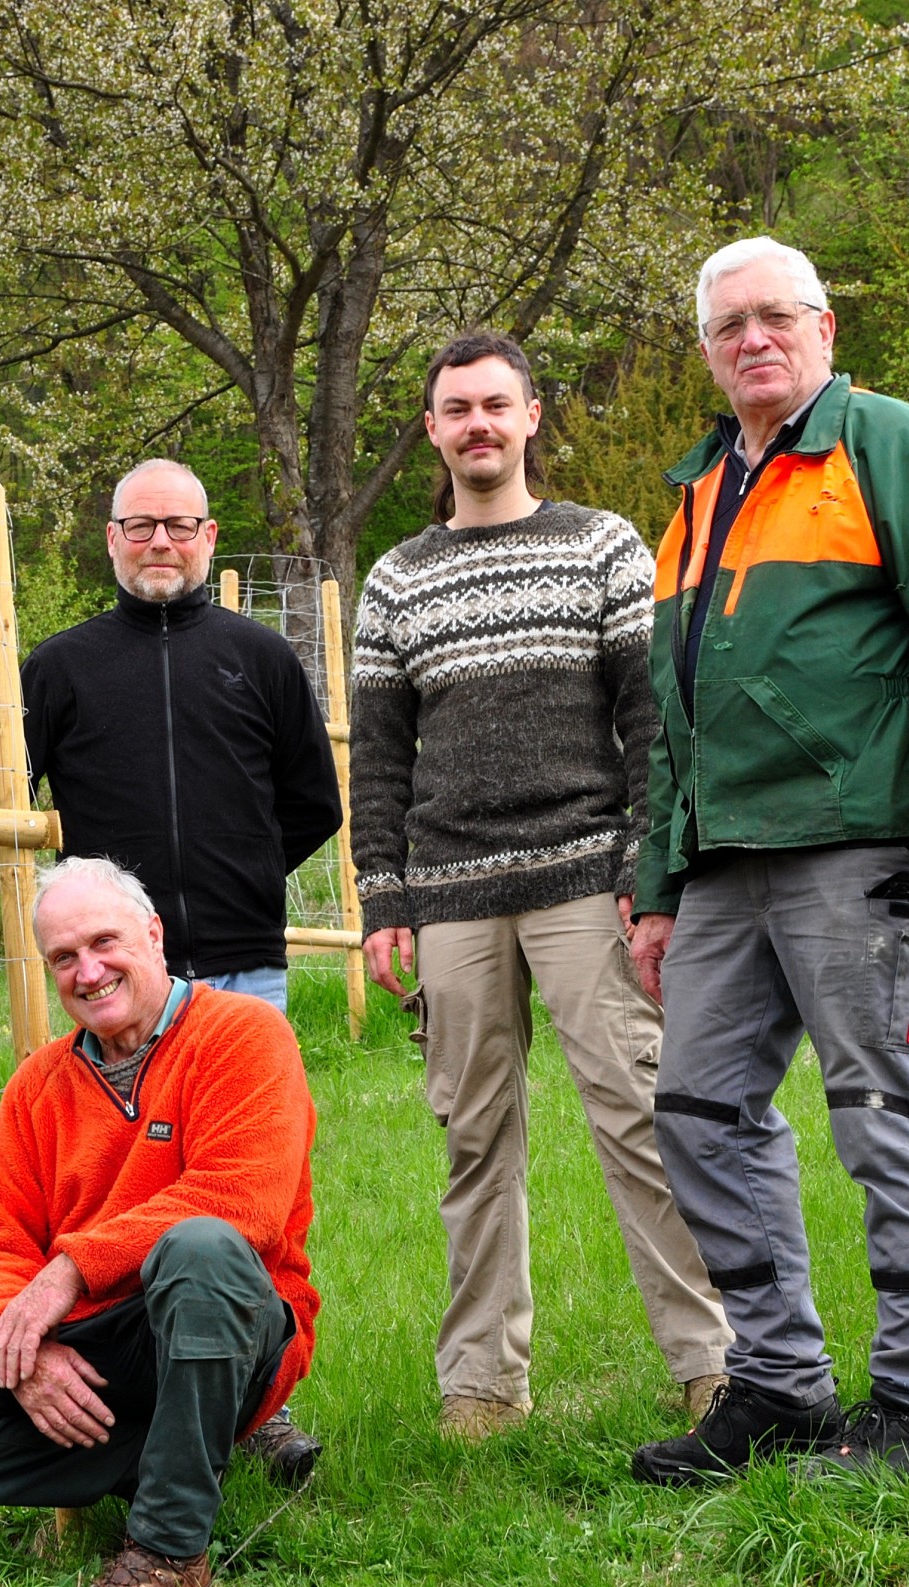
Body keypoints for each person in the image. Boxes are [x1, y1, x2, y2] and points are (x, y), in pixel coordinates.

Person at [625, 237, 909, 1484]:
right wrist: (655, 887)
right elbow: (672, 711)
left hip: (855, 845)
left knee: (881, 1117)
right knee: (694, 1112)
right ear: (706, 350)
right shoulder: (696, 490)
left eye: (775, 317)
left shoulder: (887, 445)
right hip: (722, 865)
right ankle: (782, 1385)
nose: (752, 339)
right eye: (727, 325)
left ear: (825, 327)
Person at [348, 330, 732, 1441]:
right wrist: (385, 899)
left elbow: (649, 719)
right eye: (455, 407)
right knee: (473, 1141)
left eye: (495, 405)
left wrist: (641, 869)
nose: (477, 423)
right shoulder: (397, 578)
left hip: (584, 882)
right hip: (451, 891)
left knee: (641, 1118)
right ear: (432, 430)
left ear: (530, 419)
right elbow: (378, 754)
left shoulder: (601, 547)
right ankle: (481, 1383)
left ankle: (711, 1361)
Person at [0, 856, 321, 1587]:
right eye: (64, 958)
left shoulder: (244, 1035)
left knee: (200, 1247)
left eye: (104, 942)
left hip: (227, 1322)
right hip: (93, 1348)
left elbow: (244, 1201)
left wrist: (71, 1270)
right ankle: (195, 1450)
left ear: (153, 933)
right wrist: (23, 1349)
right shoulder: (39, 1085)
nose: (89, 971)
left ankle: (169, 1551)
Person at [0, 458, 343, 1013]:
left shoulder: (262, 657)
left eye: (179, 525)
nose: (159, 542)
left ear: (208, 536)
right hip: (116, 970)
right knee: (134, 1105)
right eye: (140, 526)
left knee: (248, 1104)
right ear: (112, 538)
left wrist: (246, 871)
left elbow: (314, 805)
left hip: (248, 968)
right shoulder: (62, 666)